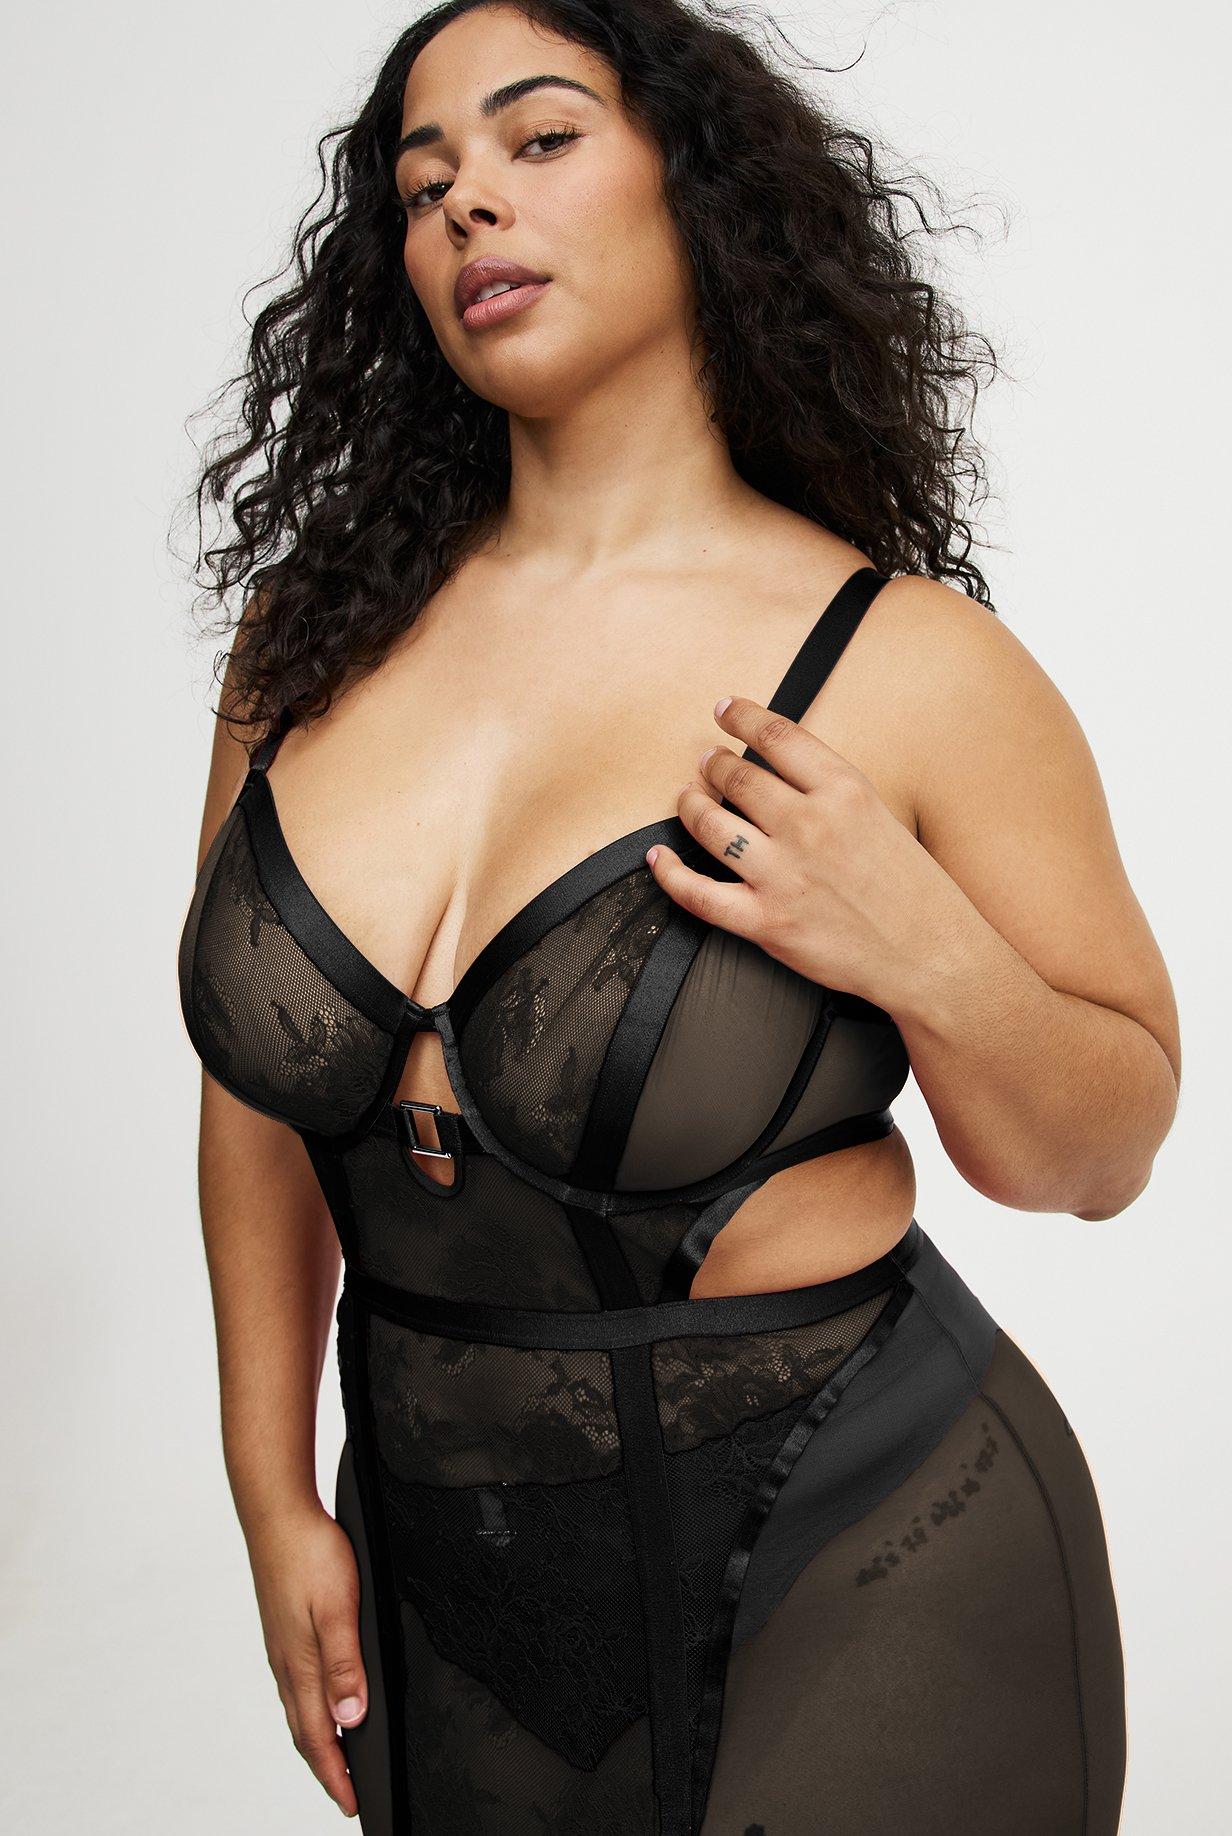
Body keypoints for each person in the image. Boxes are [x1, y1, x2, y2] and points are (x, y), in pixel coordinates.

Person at [177, 3, 1180, 1830]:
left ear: (696, 188)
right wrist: (271, 1491)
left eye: (540, 138)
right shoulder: (306, 644)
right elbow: (257, 1099)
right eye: (422, 182)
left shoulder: (907, 666)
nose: (468, 203)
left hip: (871, 1543)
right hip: (446, 1575)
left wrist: (918, 944)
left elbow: (1101, 1156)